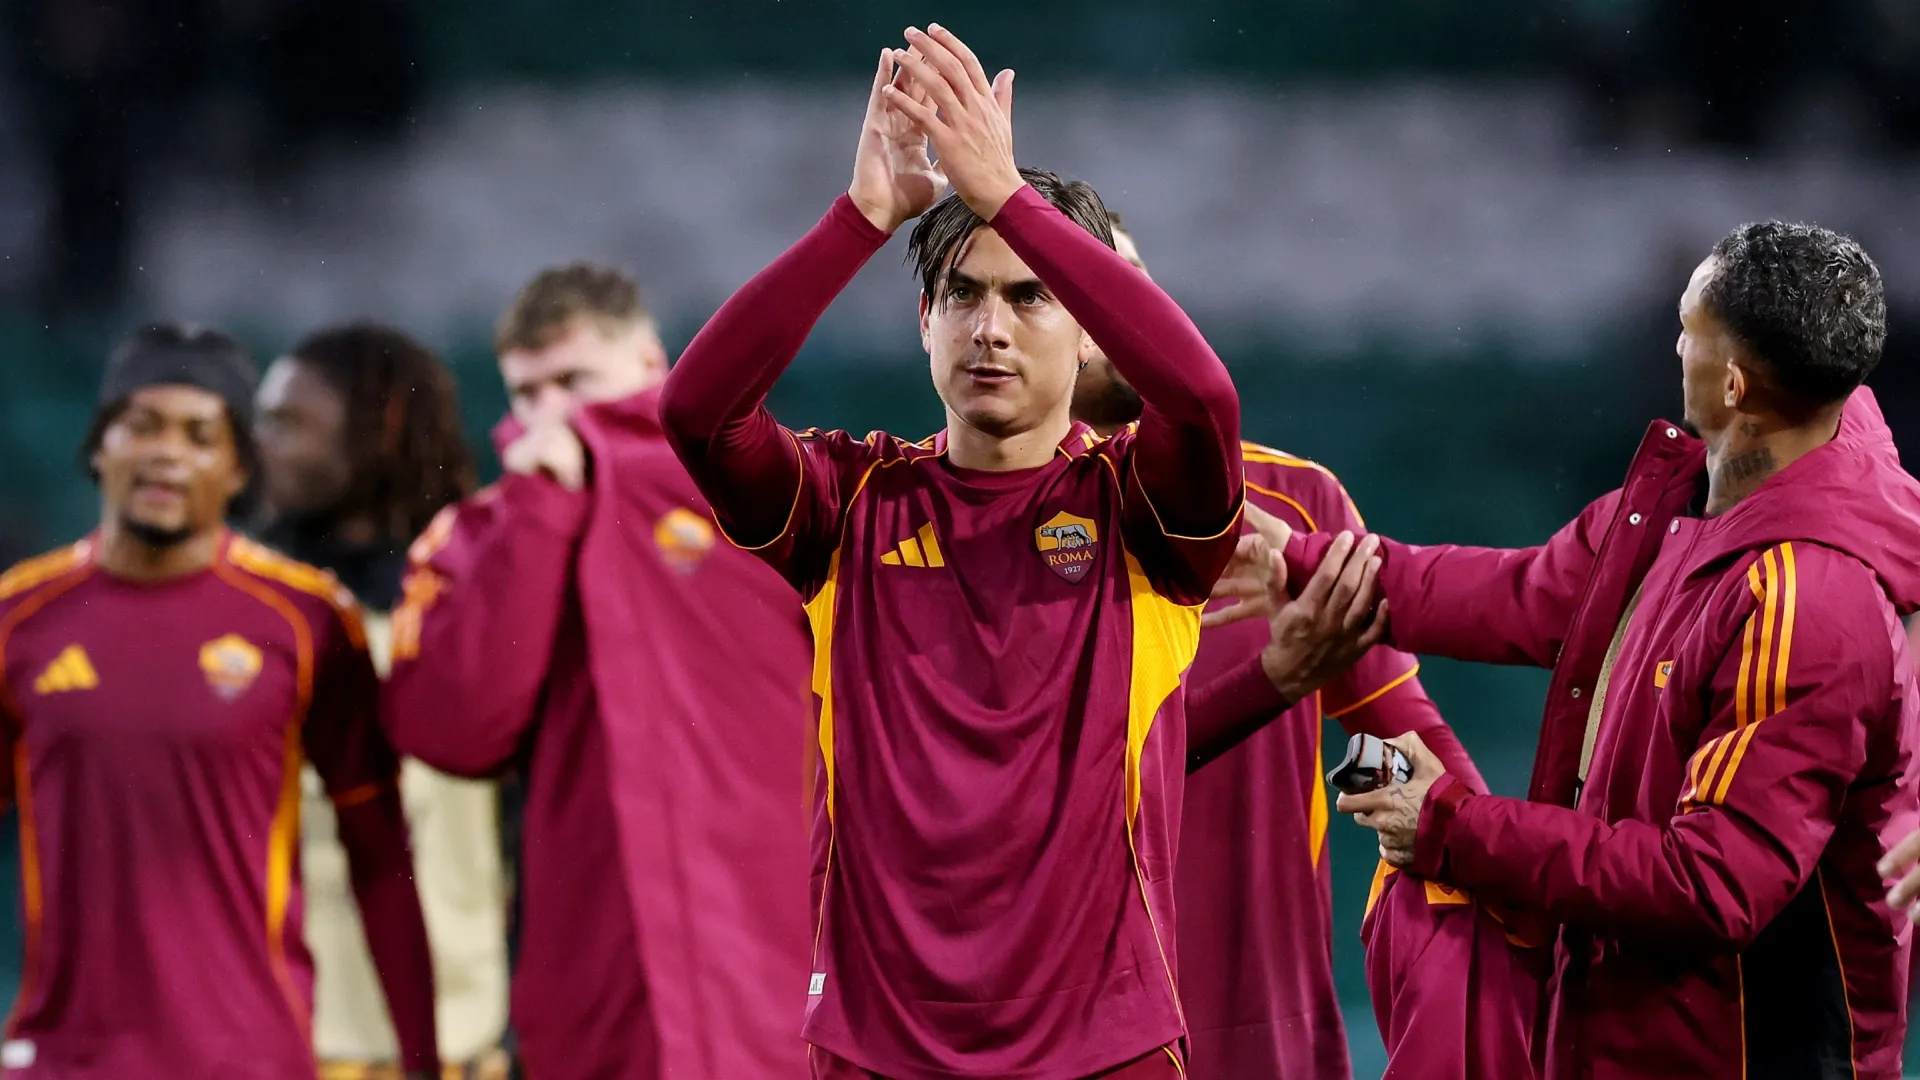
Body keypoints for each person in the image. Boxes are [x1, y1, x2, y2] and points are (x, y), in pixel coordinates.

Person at [660, 27, 1243, 1079]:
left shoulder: (1139, 508)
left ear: (1086, 332)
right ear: (923, 320)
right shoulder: (849, 503)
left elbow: (1202, 401)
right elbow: (697, 410)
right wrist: (864, 217)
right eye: (963, 297)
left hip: (1102, 1046)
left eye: (1031, 299)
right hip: (878, 1045)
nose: (991, 329)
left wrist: (1009, 197)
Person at [1325, 222, 1920, 1079]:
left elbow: (1709, 885)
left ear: (1736, 383)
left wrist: (1450, 824)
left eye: (1689, 328)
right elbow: (1524, 595)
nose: (1674, 344)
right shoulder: (1685, 501)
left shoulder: (1806, 602)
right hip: (1626, 1031)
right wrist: (1309, 564)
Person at [1072, 213, 1490, 1080]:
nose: (1135, 306)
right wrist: (1274, 677)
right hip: (1066, 1028)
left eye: (1138, 277)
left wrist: (1488, 871)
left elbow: (1387, 734)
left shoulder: (1293, 505)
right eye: (1093, 284)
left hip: (1267, 1036)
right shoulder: (959, 521)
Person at [382, 264, 814, 1080]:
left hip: (783, 956)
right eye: (527, 393)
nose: (553, 414)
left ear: (653, 364)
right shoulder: (479, 537)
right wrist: (539, 514)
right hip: (596, 974)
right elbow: (454, 731)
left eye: (576, 381)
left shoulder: (768, 497)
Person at [0, 324, 438, 1078]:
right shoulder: (19, 618)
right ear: (100, 447)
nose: (167, 451)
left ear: (240, 471)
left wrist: (423, 1062)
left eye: (201, 435)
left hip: (246, 1057)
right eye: (142, 425)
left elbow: (380, 860)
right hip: (63, 1059)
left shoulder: (306, 622)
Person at [253, 323, 511, 1080]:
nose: (260, 440)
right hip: (285, 1038)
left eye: (290, 421)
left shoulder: (478, 606)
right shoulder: (245, 613)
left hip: (459, 1045)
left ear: (374, 434)